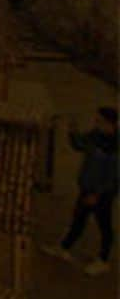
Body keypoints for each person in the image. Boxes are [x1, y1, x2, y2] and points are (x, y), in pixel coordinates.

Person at [43, 107, 118, 275]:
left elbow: (113, 178)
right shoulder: (95, 136)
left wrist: (97, 194)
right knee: (79, 218)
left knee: (103, 224)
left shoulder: (114, 147)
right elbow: (79, 144)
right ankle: (64, 247)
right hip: (87, 187)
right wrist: (72, 130)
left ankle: (103, 259)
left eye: (100, 121)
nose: (96, 124)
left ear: (110, 124)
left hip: (102, 194)